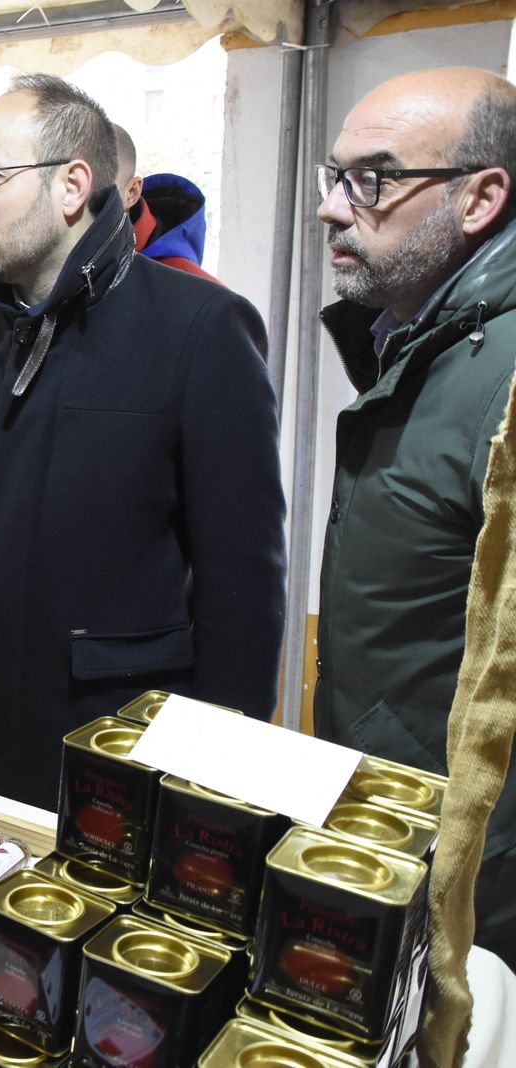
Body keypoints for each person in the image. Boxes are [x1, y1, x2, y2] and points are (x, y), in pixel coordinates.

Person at [0, 74, 285, 809]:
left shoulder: (201, 329)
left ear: (72, 184)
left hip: (113, 757)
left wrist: (216, 786)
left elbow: (244, 590)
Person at [312, 67, 516, 965]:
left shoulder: (503, 373)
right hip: (392, 821)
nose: (332, 208)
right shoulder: (421, 337)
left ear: (480, 197)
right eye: (335, 175)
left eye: (375, 179)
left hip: (476, 874)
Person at [113, 124, 218, 281]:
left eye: (97, 187)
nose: (74, 201)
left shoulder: (199, 292)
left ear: (132, 192)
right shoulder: (69, 270)